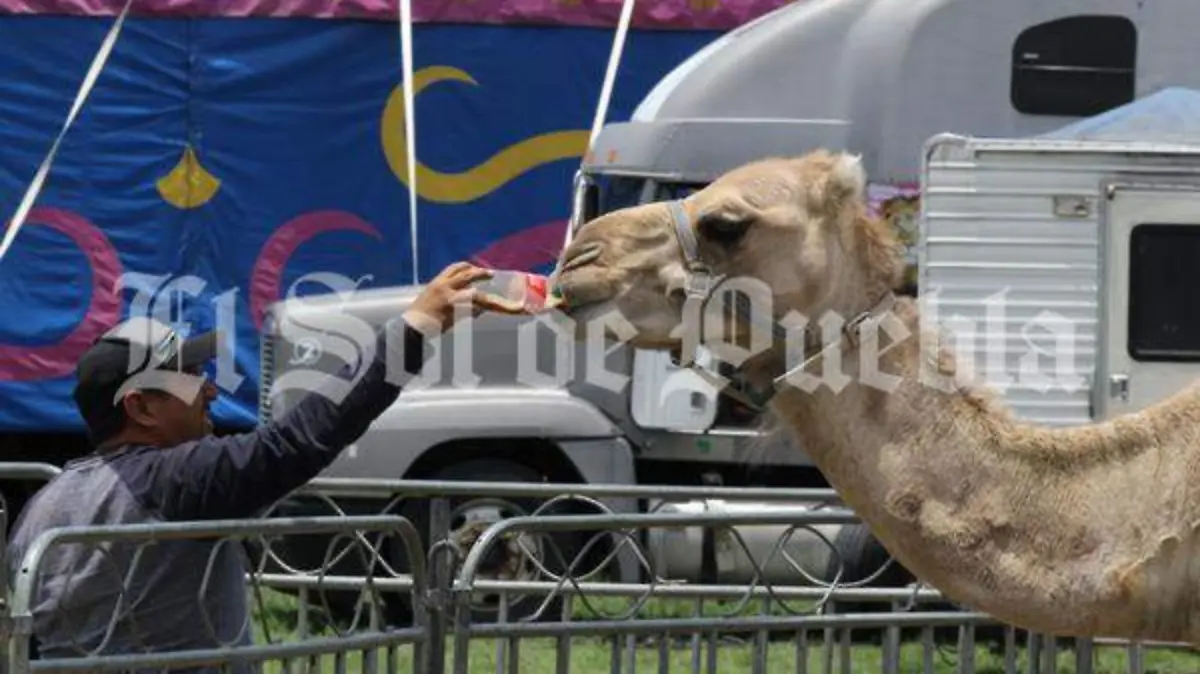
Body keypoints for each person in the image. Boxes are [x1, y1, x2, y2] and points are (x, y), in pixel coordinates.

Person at [5, 261, 514, 671]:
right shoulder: (176, 480)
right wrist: (415, 327)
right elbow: (305, 435)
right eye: (189, 376)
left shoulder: (42, 507)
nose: (208, 388)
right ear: (140, 407)